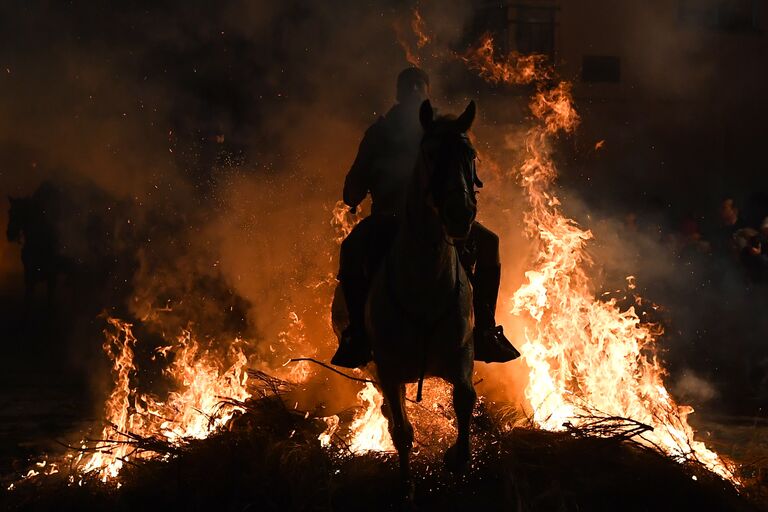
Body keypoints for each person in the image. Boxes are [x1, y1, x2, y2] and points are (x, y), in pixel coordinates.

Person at [331, 67, 519, 368]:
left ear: (427, 93)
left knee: (489, 243)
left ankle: (483, 330)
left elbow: (465, 177)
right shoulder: (379, 133)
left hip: (438, 221)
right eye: (411, 87)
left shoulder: (445, 133)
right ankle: (358, 335)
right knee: (351, 249)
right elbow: (352, 189)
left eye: (420, 86)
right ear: (400, 94)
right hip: (388, 220)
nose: (416, 92)